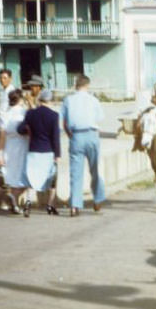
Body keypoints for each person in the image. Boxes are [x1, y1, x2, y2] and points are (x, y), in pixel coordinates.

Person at [61, 75, 106, 217]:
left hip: (76, 136)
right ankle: (98, 199)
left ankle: (75, 205)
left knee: (76, 173)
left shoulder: (68, 100)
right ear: (88, 85)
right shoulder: (94, 100)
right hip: (91, 134)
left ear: (76, 85)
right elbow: (100, 119)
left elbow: (64, 122)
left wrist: (71, 135)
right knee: (95, 170)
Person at [18, 88, 60, 216]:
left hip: (33, 150)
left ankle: (28, 203)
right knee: (51, 179)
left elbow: (20, 129)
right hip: (48, 152)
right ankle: (50, 205)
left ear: (40, 100)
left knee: (32, 178)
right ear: (50, 101)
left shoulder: (31, 113)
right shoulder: (54, 116)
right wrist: (57, 154)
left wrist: (29, 131)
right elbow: (55, 137)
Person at [0, 89, 29, 214]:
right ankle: (15, 199)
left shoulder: (5, 114)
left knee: (13, 176)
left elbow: (2, 135)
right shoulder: (24, 112)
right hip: (23, 145)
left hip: (9, 147)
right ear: (20, 99)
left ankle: (15, 204)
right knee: (25, 177)